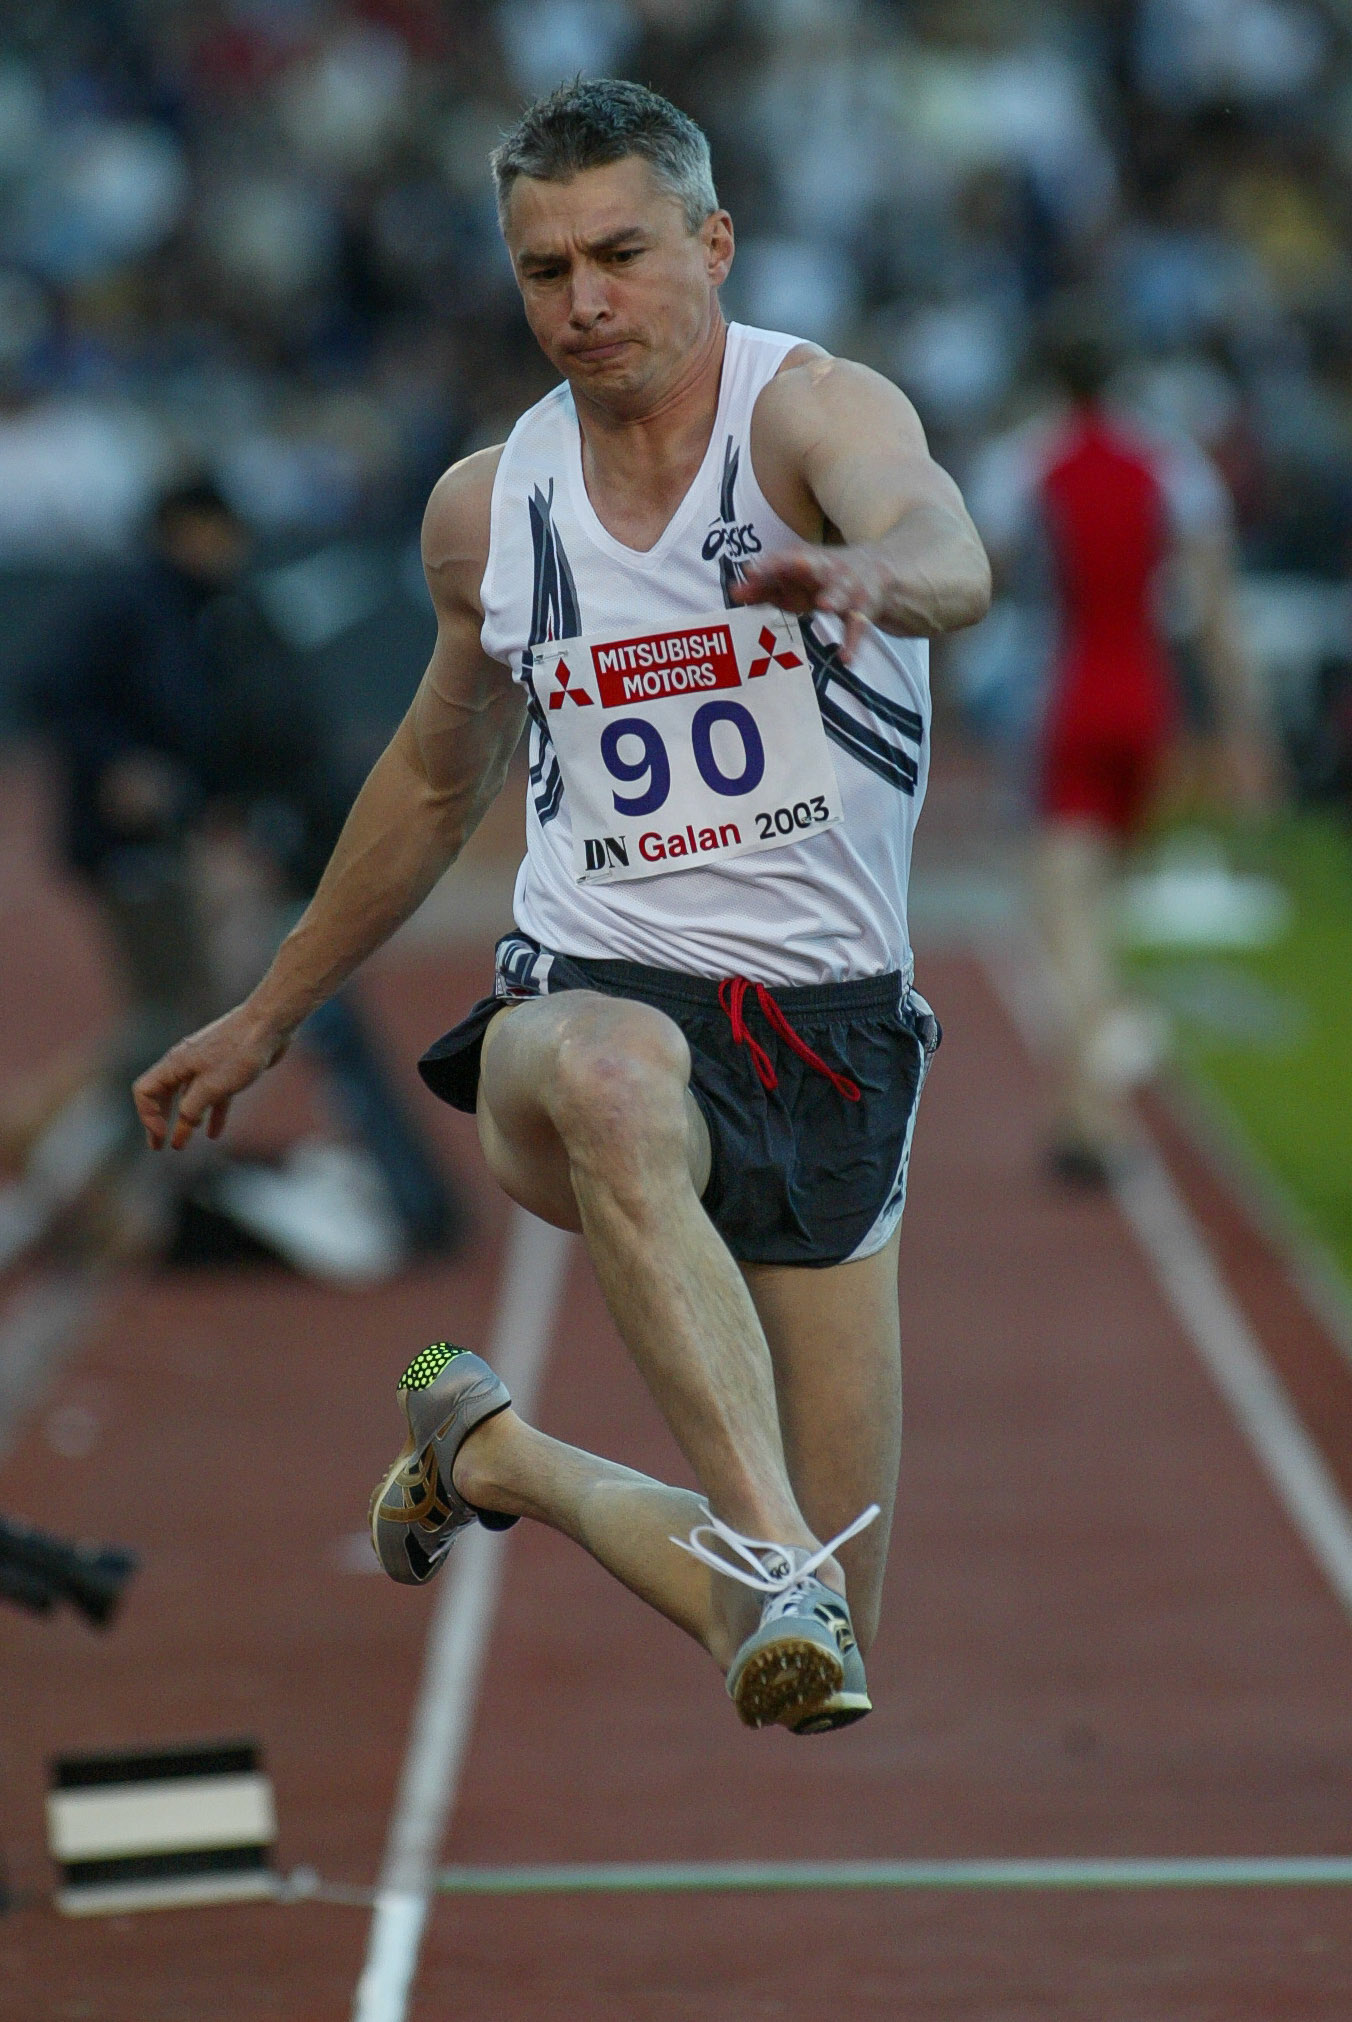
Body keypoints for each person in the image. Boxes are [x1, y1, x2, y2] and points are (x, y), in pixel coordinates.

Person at [132, 79, 991, 1734]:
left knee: (834, 1643)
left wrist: (876, 573)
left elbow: (940, 529)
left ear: (711, 242)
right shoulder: (489, 507)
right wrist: (265, 1014)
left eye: (619, 254)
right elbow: (433, 783)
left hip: (825, 1044)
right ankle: (775, 1567)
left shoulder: (805, 415)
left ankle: (501, 1449)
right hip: (588, 1003)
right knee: (608, 1076)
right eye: (542, 270)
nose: (583, 303)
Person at [13, 479, 460, 1269]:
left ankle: (71, 1156)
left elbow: (224, 725)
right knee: (172, 1016)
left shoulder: (212, 607)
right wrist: (116, 763)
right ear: (183, 529)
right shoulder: (126, 604)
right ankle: (66, 1161)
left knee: (184, 1009)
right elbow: (48, 689)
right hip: (125, 850)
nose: (231, 546)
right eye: (217, 530)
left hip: (183, 841)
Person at [970, 319, 1274, 1182]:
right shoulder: (1171, 463)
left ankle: (1095, 1114)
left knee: (1067, 921)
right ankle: (1089, 1103)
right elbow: (1214, 607)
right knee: (1104, 913)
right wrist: (1244, 729)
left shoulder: (1020, 462)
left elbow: (972, 581)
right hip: (1148, 694)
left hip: (1061, 696)